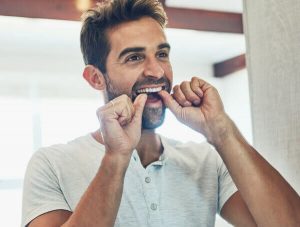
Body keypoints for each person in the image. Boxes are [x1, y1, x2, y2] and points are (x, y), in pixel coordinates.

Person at [21, 0, 300, 226]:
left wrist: (221, 131)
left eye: (162, 54)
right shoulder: (51, 164)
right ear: (95, 78)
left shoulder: (205, 160)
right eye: (134, 57)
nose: (156, 71)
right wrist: (116, 157)